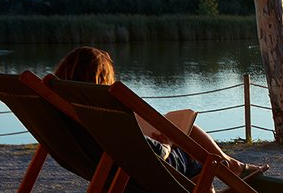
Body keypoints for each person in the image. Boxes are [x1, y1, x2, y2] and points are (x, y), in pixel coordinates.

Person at [51, 46, 267, 180]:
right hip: (140, 171)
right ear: (102, 80)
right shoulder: (103, 112)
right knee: (191, 142)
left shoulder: (61, 109)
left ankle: (226, 171)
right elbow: (159, 154)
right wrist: (167, 144)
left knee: (183, 133)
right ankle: (228, 169)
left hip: (100, 167)